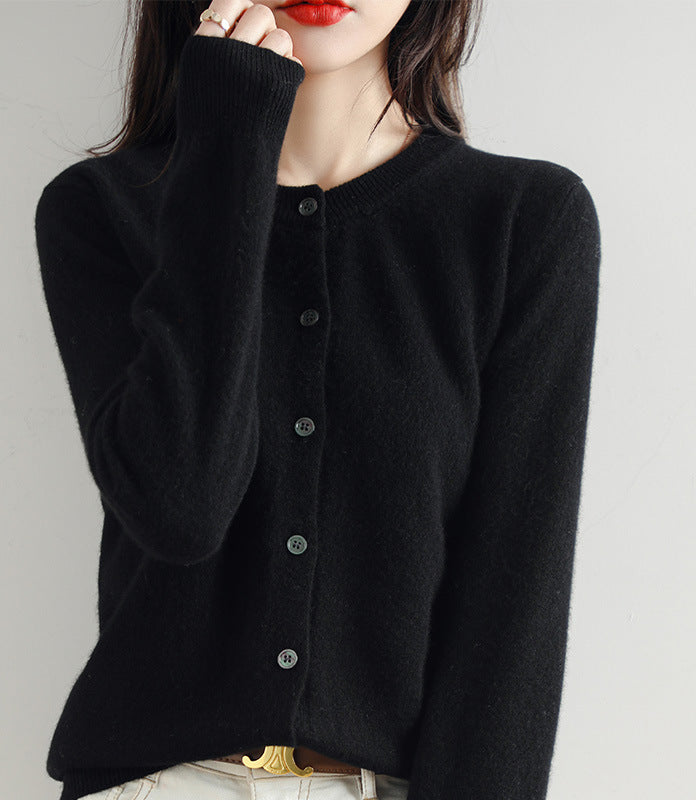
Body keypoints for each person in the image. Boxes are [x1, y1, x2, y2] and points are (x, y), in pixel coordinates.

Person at [34, 1, 601, 799]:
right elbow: (181, 505)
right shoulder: (103, 209)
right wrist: (228, 146)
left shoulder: (522, 223)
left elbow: (513, 614)